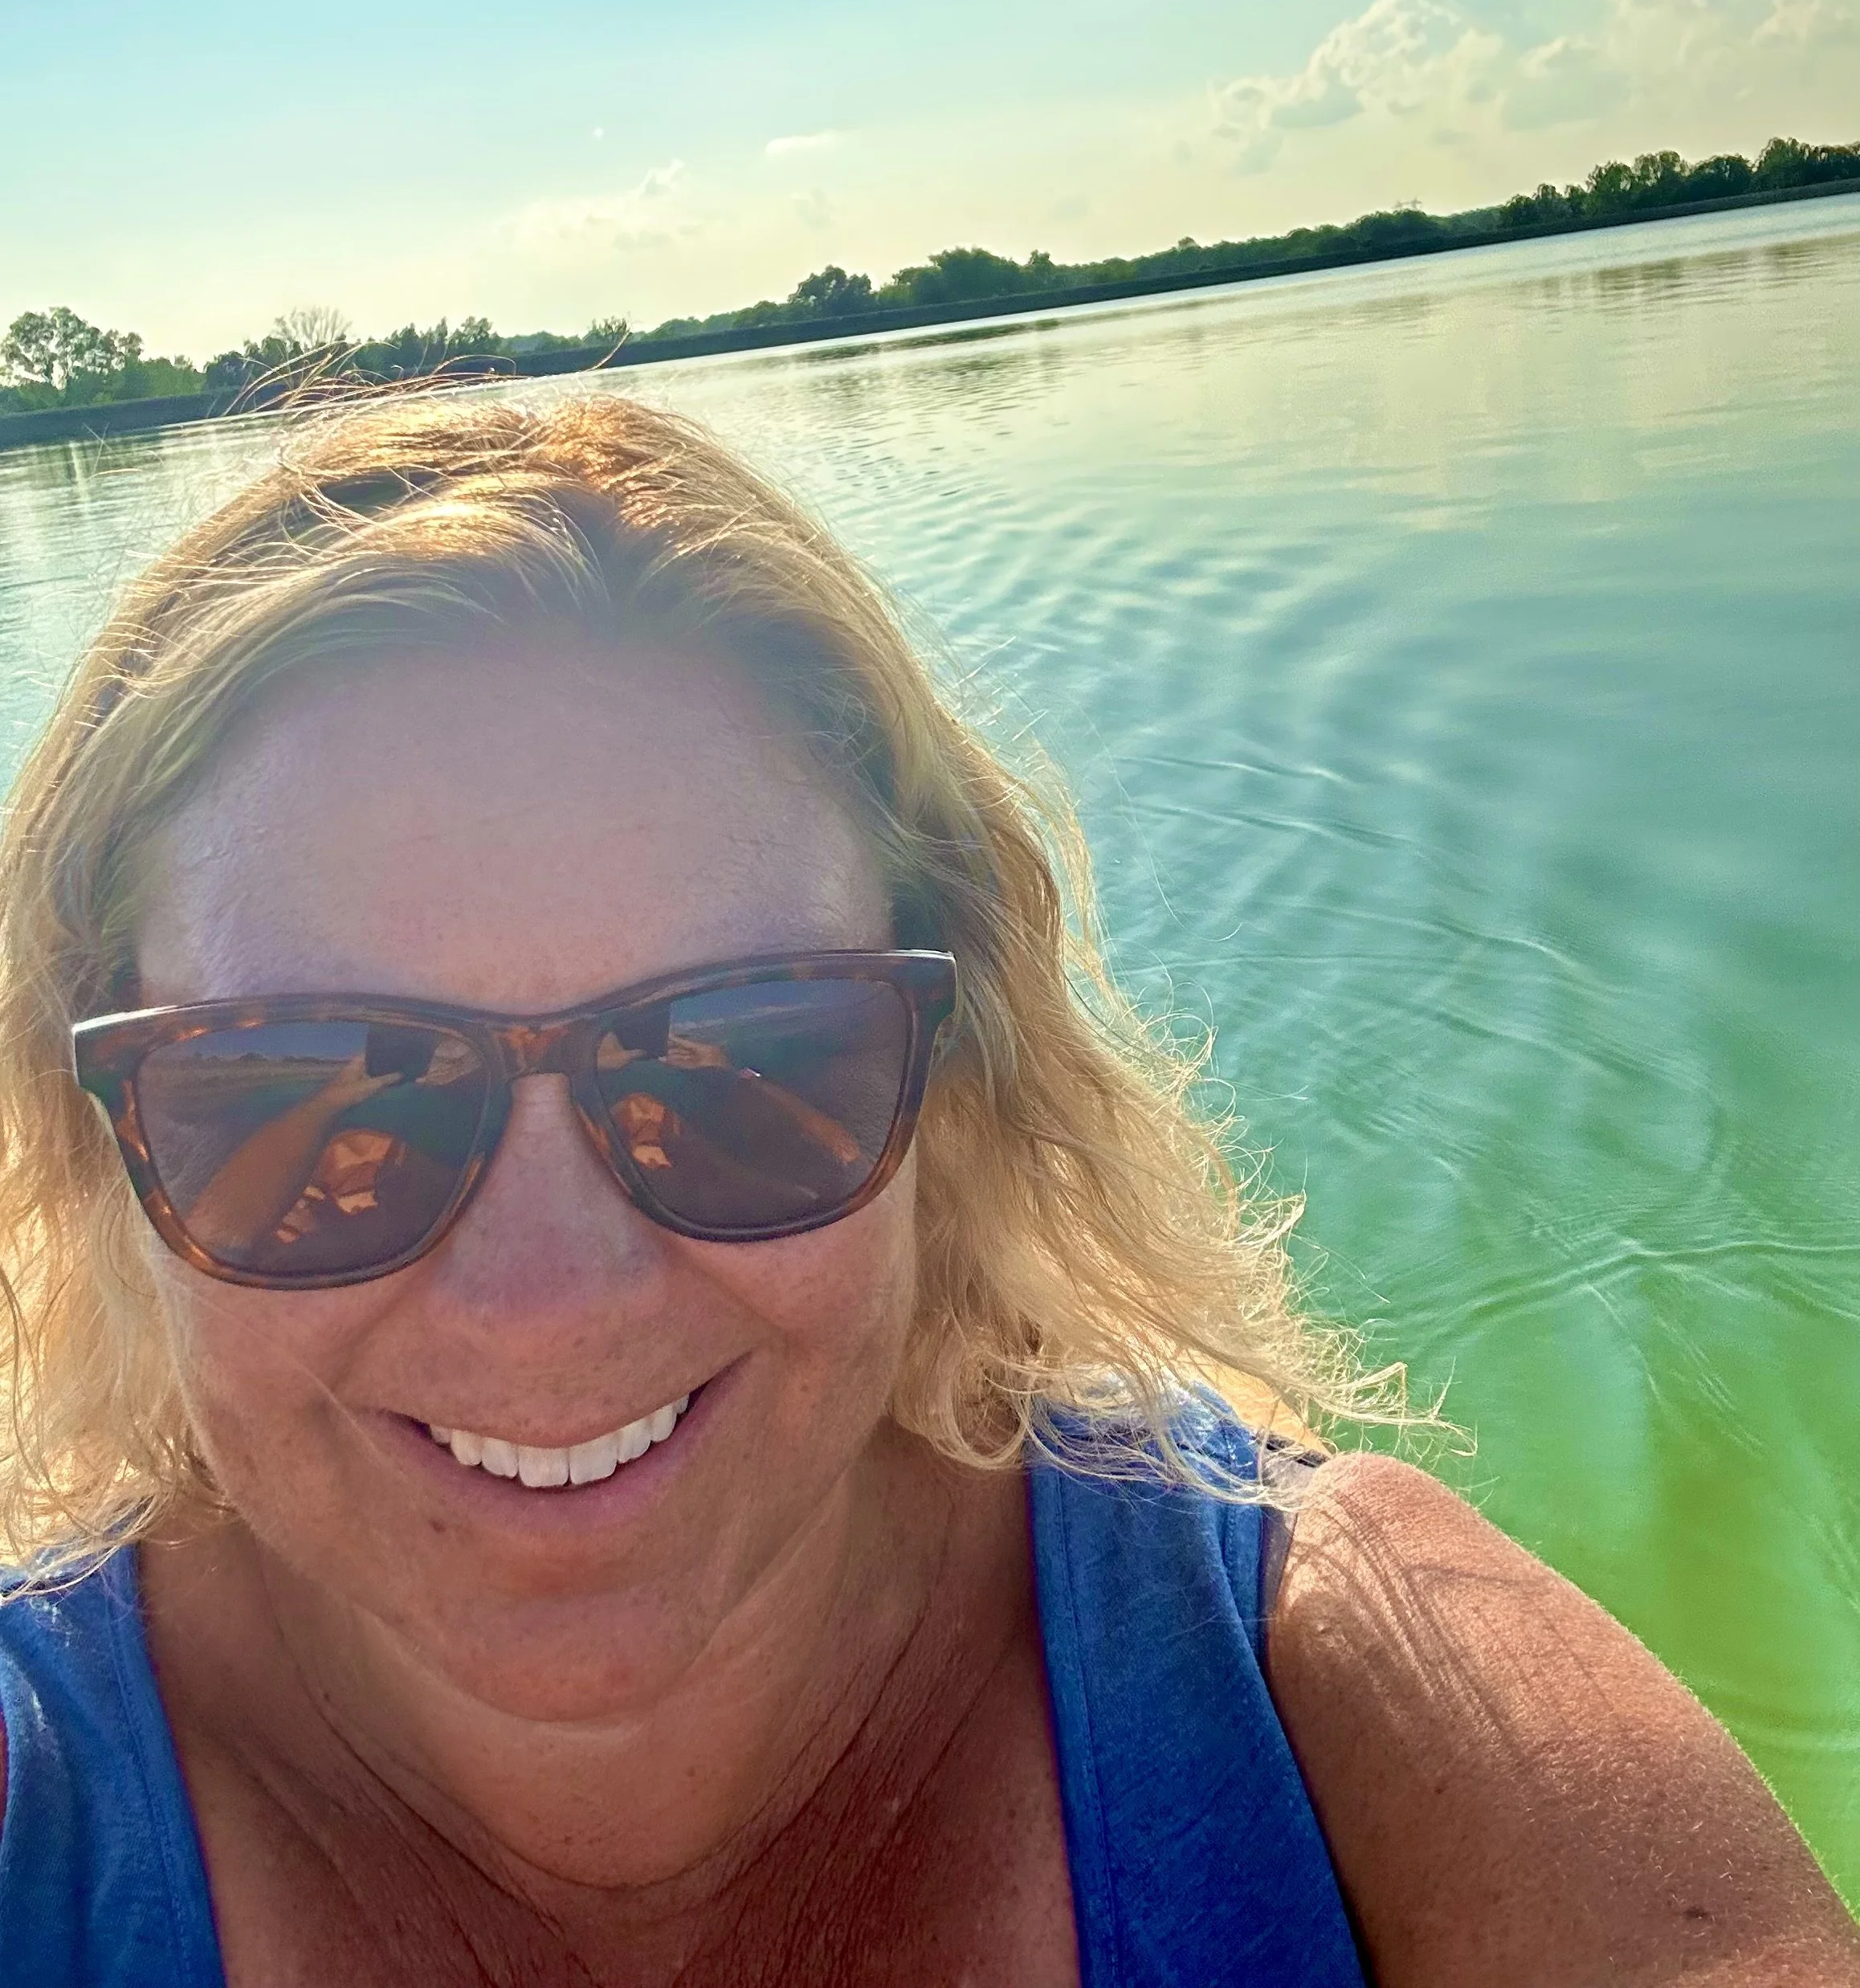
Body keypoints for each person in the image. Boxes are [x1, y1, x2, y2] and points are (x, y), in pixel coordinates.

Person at [0, 391, 1851, 1988]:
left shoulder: (1340, 1683)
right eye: (306, 1093)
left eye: (744, 1062)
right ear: (102, 1134)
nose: (548, 1301)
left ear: (947, 1079)